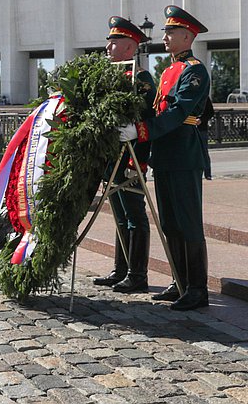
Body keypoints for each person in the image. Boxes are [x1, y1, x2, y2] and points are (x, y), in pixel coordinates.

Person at [119, 5, 211, 311]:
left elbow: (177, 111)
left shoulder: (194, 70)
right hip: (166, 154)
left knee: (188, 222)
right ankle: (179, 281)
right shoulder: (170, 70)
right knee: (171, 222)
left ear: (187, 36)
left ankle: (197, 287)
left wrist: (141, 131)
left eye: (171, 32)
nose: (166, 37)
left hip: (184, 152)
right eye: (166, 32)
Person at [93, 16, 156, 293]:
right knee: (119, 214)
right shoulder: (110, 77)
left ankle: (137, 274)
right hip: (111, 158)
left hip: (130, 158)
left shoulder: (140, 79)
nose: (108, 47)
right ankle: (120, 269)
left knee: (134, 215)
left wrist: (137, 161)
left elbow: (142, 122)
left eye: (114, 42)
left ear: (130, 47)